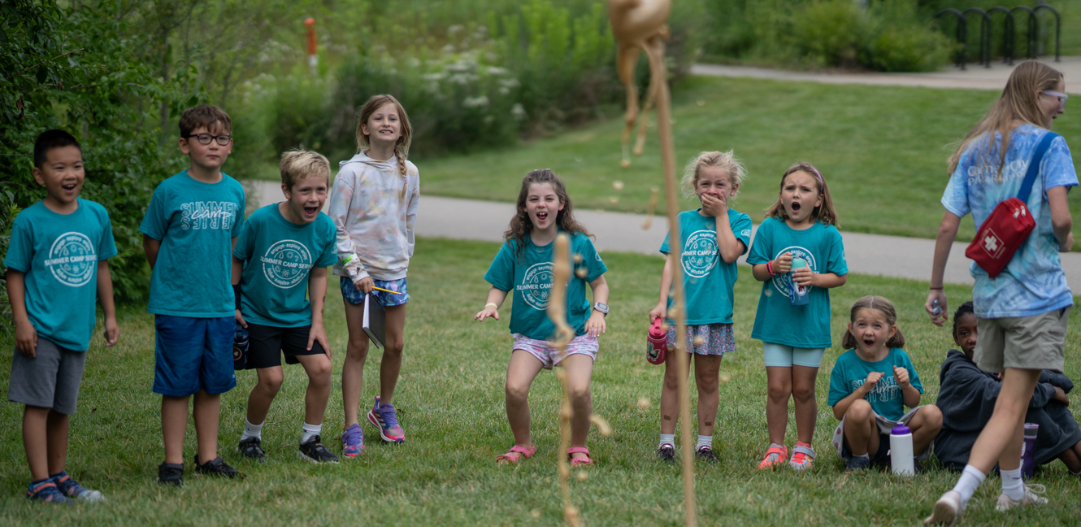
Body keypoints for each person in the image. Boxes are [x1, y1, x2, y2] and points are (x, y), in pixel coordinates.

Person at [923, 60, 1075, 524]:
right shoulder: (1051, 145)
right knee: (1012, 404)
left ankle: (1013, 491)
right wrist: (1064, 238)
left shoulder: (975, 149)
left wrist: (936, 286)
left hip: (990, 298)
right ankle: (960, 494)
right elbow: (1062, 218)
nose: (1062, 110)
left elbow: (949, 225)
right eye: (1059, 98)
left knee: (1014, 395)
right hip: (1037, 298)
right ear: (1038, 94)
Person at [5, 130, 118, 503]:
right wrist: (22, 320)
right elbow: (15, 273)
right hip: (41, 330)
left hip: (76, 329)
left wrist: (110, 316)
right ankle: (40, 482)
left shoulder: (96, 215)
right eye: (59, 167)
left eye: (77, 165)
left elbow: (101, 267)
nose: (71, 174)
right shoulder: (29, 221)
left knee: (62, 407)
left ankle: (58, 474)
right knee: (38, 405)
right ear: (39, 175)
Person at [140, 105, 246, 485]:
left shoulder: (234, 190)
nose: (213, 145)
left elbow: (234, 248)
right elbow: (152, 241)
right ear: (185, 145)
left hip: (218, 305)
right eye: (204, 138)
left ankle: (209, 456)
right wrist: (171, 278)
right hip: (177, 305)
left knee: (212, 383)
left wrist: (232, 300)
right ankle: (172, 463)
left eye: (221, 138)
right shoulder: (169, 191)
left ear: (230, 145)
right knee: (178, 384)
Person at [475, 169, 609, 466]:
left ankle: (578, 446)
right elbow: (499, 285)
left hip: (573, 334)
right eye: (533, 199)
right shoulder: (515, 246)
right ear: (524, 207)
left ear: (561, 203)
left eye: (548, 198)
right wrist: (491, 304)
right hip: (531, 336)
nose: (541, 204)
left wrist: (599, 311)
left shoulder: (577, 243)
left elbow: (599, 284)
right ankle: (523, 444)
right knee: (514, 388)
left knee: (578, 389)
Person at [233, 150, 338, 464]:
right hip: (257, 314)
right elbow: (237, 258)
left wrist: (316, 320)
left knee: (322, 369)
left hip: (297, 316)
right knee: (272, 380)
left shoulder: (324, 228)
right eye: (305, 190)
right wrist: (234, 303)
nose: (314, 198)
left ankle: (310, 440)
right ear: (287, 190)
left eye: (321, 190)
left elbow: (319, 273)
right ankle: (250, 438)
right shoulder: (262, 221)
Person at [647, 151, 752, 463]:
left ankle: (704, 443)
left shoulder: (739, 221)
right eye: (705, 183)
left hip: (714, 316)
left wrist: (721, 215)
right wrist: (661, 301)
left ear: (733, 189)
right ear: (695, 186)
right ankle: (667, 442)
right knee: (674, 378)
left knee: (707, 380)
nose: (712, 190)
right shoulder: (683, 221)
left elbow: (730, 253)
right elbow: (670, 263)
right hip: (679, 314)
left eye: (721, 184)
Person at [330, 94, 420, 456]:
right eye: (378, 118)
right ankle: (351, 425)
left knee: (395, 345)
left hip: (394, 272)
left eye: (393, 119)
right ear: (365, 128)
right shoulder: (350, 173)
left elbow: (409, 220)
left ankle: (384, 409)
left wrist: (404, 258)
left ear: (401, 131)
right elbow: (335, 226)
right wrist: (356, 270)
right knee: (358, 346)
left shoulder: (409, 172)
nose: (386, 123)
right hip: (359, 275)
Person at [746, 163, 848, 470]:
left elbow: (840, 276)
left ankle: (804, 447)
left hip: (809, 326)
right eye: (790, 188)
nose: (796, 193)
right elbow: (755, 271)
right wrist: (772, 267)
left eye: (805, 189)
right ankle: (776, 446)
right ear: (781, 195)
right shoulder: (769, 228)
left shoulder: (827, 235)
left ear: (818, 199)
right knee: (777, 388)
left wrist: (815, 279)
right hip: (775, 323)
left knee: (803, 389)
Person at [935, 302, 1081, 474]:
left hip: (987, 433)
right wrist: (1051, 391)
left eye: (980, 331)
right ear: (956, 338)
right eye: (964, 333)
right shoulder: (958, 372)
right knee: (1024, 408)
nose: (972, 338)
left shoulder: (997, 363)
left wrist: (1046, 385)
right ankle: (1075, 464)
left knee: (1042, 402)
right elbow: (1007, 396)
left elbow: (1059, 380)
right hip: (961, 446)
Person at [827, 296, 942, 473]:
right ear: (851, 328)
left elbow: (913, 402)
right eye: (862, 324)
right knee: (859, 407)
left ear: (891, 331)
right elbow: (838, 412)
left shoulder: (899, 357)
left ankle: (906, 458)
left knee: (933, 414)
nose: (868, 332)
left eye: (877, 326)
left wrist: (906, 385)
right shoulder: (844, 362)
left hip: (899, 435)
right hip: (866, 439)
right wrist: (864, 389)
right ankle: (860, 459)